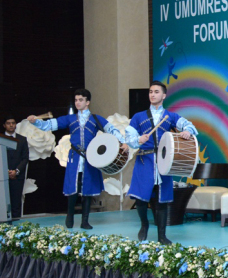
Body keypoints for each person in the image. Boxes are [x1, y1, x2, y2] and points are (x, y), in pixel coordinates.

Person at [27, 89, 127, 229]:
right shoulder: (70, 119)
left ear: (88, 102)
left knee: (87, 190)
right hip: (74, 157)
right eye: (76, 100)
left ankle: (85, 221)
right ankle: (70, 217)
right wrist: (35, 122)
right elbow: (49, 125)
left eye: (80, 100)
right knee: (72, 189)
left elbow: (111, 130)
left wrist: (122, 142)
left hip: (90, 157)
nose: (77, 102)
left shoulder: (96, 118)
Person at [124, 81, 198, 245]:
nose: (152, 94)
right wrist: (138, 139)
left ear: (163, 95)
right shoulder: (138, 117)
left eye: (156, 92)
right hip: (145, 159)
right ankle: (144, 224)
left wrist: (187, 131)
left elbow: (189, 125)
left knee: (162, 199)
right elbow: (128, 138)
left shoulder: (170, 116)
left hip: (164, 161)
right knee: (141, 199)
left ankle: (162, 236)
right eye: (150, 92)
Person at [3, 115, 29, 218]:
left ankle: (17, 226)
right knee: (3, 201)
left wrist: (16, 171)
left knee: (16, 201)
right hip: (2, 175)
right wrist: (7, 171)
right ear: (4, 125)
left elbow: (25, 158)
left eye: (13, 123)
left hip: (18, 176)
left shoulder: (22, 139)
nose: (11, 125)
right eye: (8, 123)